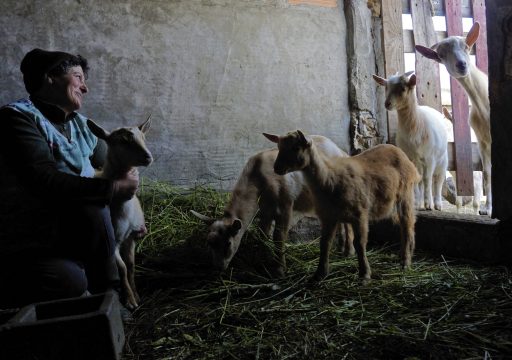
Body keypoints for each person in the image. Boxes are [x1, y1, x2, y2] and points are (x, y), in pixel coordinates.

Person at [0, 48, 139, 308]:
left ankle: (103, 296)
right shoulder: (16, 119)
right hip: (33, 237)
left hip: (75, 234)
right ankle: (110, 294)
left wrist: (132, 215)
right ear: (49, 77)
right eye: (77, 77)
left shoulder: (80, 125)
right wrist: (113, 188)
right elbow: (44, 180)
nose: (84, 88)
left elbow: (116, 163)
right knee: (71, 279)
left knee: (92, 212)